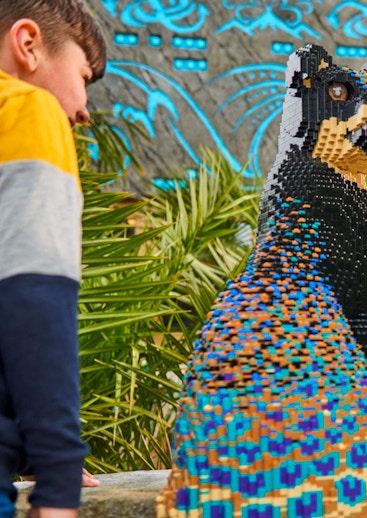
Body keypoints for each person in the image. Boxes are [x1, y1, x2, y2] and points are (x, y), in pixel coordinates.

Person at [0, 1, 106, 516]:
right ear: (28, 44)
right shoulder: (24, 109)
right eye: (84, 76)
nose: (85, 108)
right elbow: (34, 299)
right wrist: (59, 474)